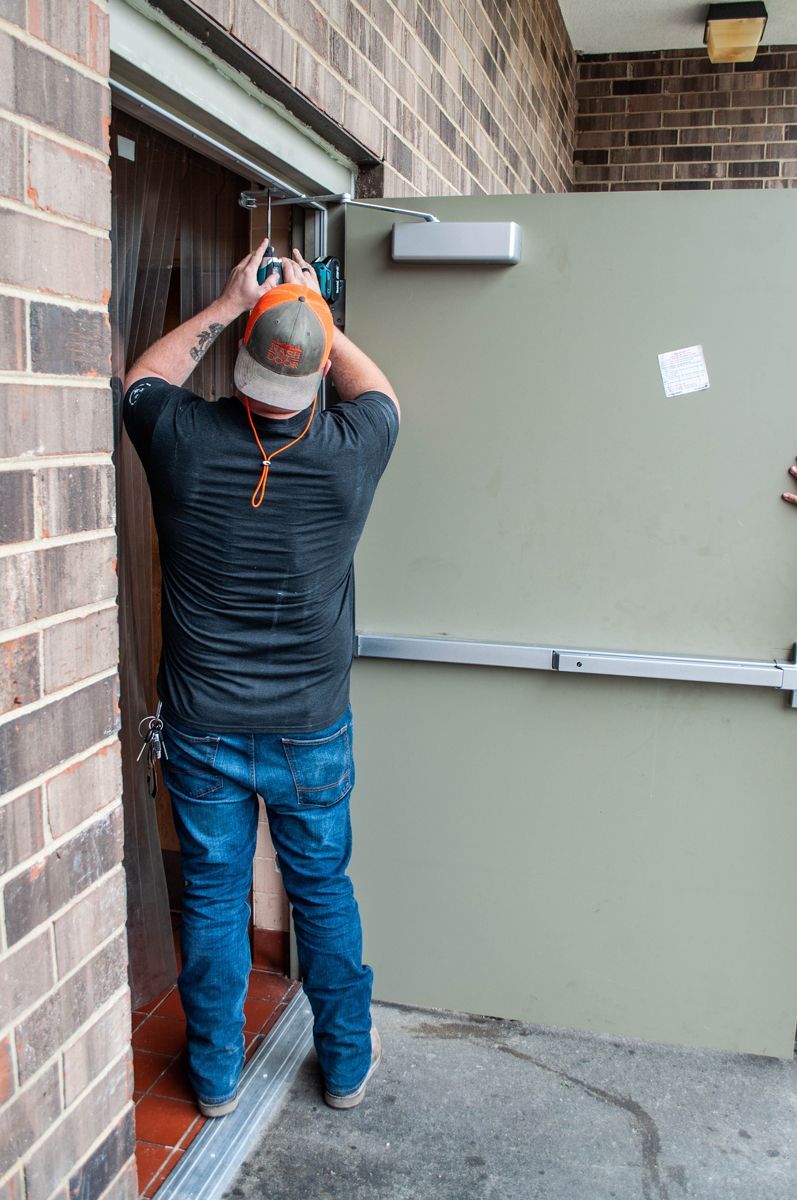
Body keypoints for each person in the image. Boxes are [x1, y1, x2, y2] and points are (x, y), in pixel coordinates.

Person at [123, 240, 399, 1116]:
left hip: (202, 727)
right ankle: (346, 1065)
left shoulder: (184, 439)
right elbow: (380, 391)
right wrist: (314, 312)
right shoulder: (354, 448)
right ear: (315, 375)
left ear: (241, 361)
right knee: (322, 890)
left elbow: (140, 379)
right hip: (310, 727)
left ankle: (212, 1080)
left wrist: (235, 302)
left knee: (211, 895)